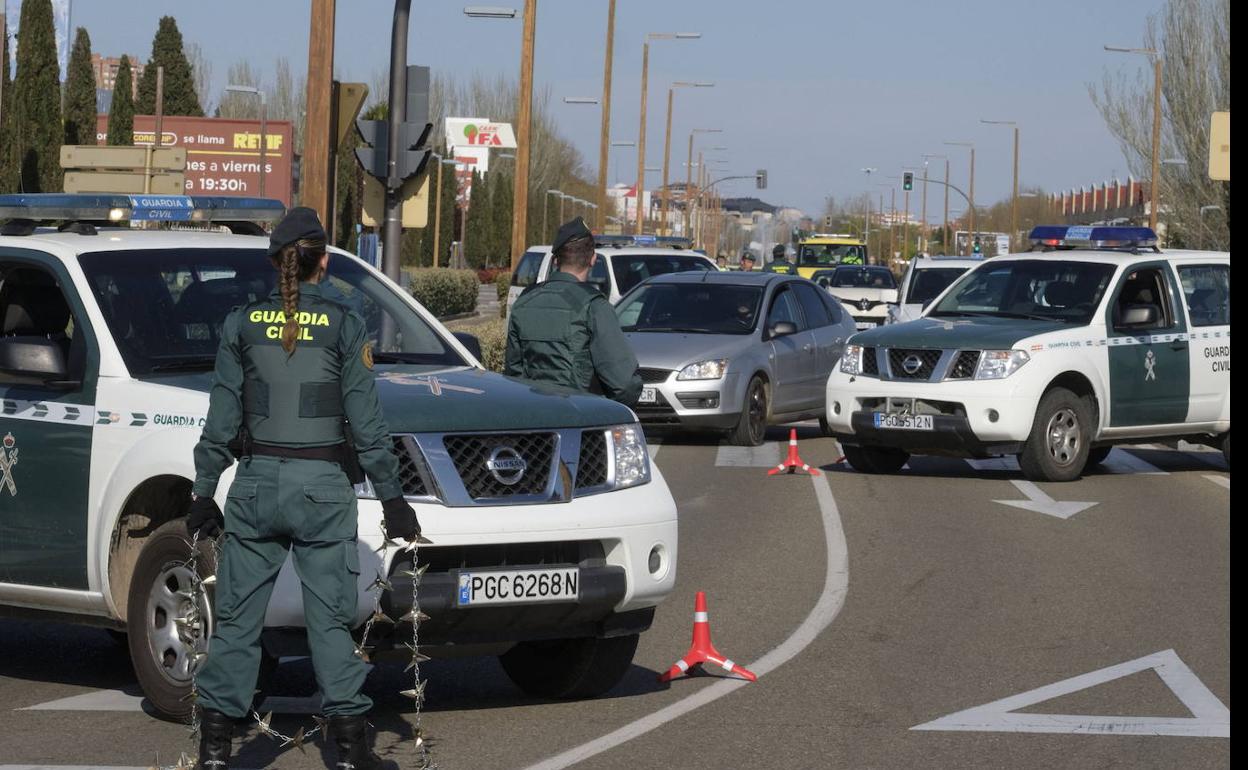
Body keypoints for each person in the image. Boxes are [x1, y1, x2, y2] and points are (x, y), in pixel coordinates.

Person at [187, 207, 420, 770]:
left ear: (276, 264)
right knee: (330, 625)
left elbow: (221, 417)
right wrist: (392, 496)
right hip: (322, 492)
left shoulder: (241, 324)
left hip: (256, 490)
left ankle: (216, 750)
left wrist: (202, 491)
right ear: (324, 264)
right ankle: (348, 752)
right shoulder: (345, 324)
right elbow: (366, 423)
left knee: (239, 623)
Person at [505, 217, 642, 406]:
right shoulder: (594, 306)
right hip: (581, 420)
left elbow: (513, 374)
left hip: (532, 419)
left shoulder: (525, 301)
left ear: (555, 260)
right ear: (593, 259)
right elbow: (625, 384)